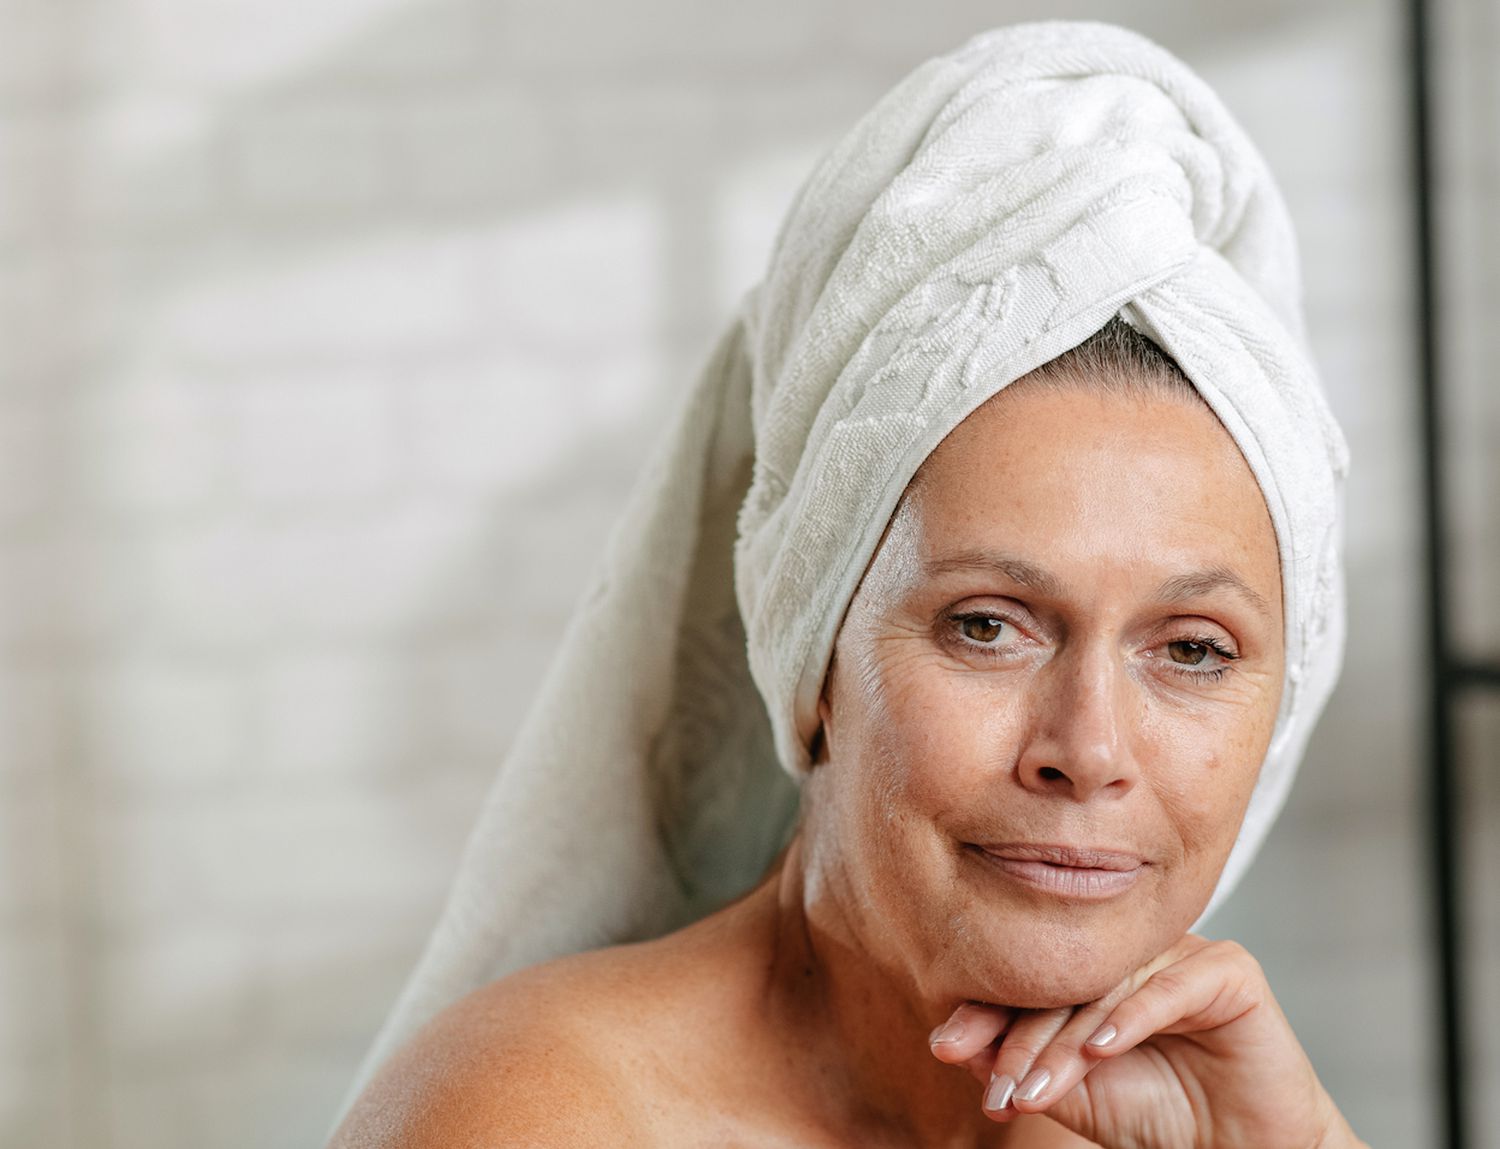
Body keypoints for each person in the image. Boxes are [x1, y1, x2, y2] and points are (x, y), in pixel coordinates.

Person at [328, 21, 1361, 1148]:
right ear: (813, 661)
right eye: (988, 626)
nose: (1091, 749)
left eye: (1194, 648)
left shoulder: (1215, 1125)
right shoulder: (539, 1119)